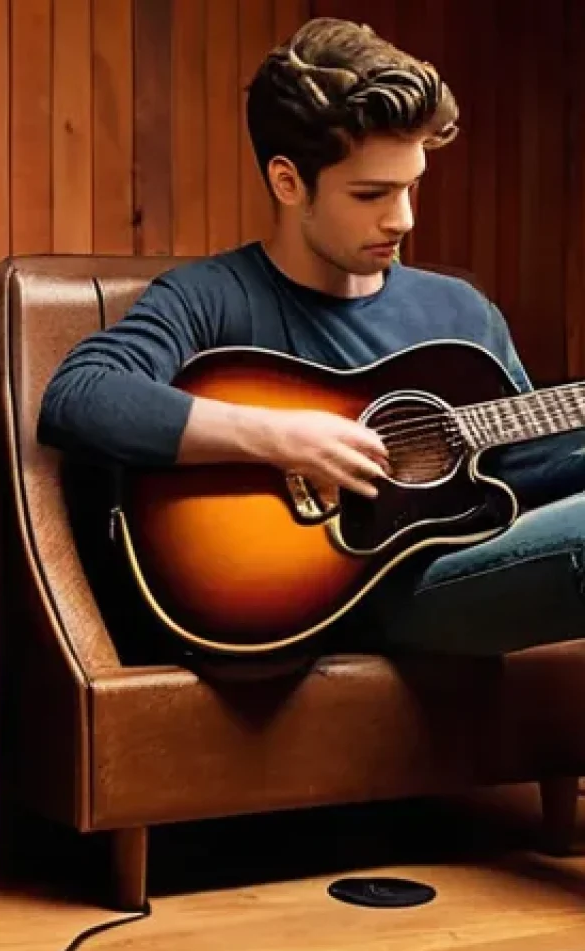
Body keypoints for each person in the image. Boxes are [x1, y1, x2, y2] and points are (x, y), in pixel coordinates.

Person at [36, 16, 585, 660]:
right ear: (288, 182)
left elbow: (521, 472)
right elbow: (79, 396)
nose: (402, 218)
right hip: (345, 596)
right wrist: (285, 440)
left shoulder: (461, 312)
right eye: (371, 193)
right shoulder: (212, 297)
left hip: (465, 563)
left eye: (412, 187)